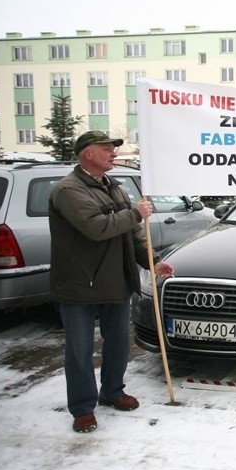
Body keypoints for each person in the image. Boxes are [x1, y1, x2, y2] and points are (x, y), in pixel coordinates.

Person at [49, 131, 175, 433]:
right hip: (80, 283)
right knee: (79, 349)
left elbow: (131, 235)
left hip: (116, 281)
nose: (113, 153)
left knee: (118, 342)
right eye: (106, 149)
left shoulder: (114, 187)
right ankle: (82, 408)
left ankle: (113, 391)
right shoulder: (67, 190)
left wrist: (152, 262)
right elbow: (97, 227)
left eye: (112, 149)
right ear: (87, 154)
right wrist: (134, 213)